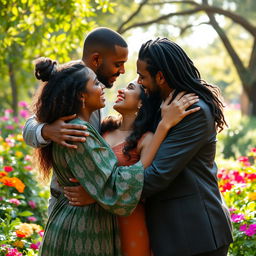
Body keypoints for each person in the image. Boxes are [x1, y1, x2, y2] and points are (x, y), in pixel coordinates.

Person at [66, 38, 233, 256]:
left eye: (142, 76)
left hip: (194, 234)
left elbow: (158, 174)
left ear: (161, 77)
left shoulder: (194, 112)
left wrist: (100, 194)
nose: (139, 82)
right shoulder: (162, 105)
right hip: (167, 231)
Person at [33, 58, 198, 256]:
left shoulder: (78, 129)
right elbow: (114, 183)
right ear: (82, 96)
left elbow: (115, 182)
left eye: (130, 88)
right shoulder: (80, 132)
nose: (103, 87)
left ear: (141, 103)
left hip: (109, 219)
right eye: (95, 83)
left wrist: (95, 193)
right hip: (82, 226)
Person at [23, 27, 130, 214]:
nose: (122, 70)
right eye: (118, 64)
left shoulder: (96, 93)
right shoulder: (69, 80)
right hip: (68, 206)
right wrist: (47, 130)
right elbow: (29, 128)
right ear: (96, 59)